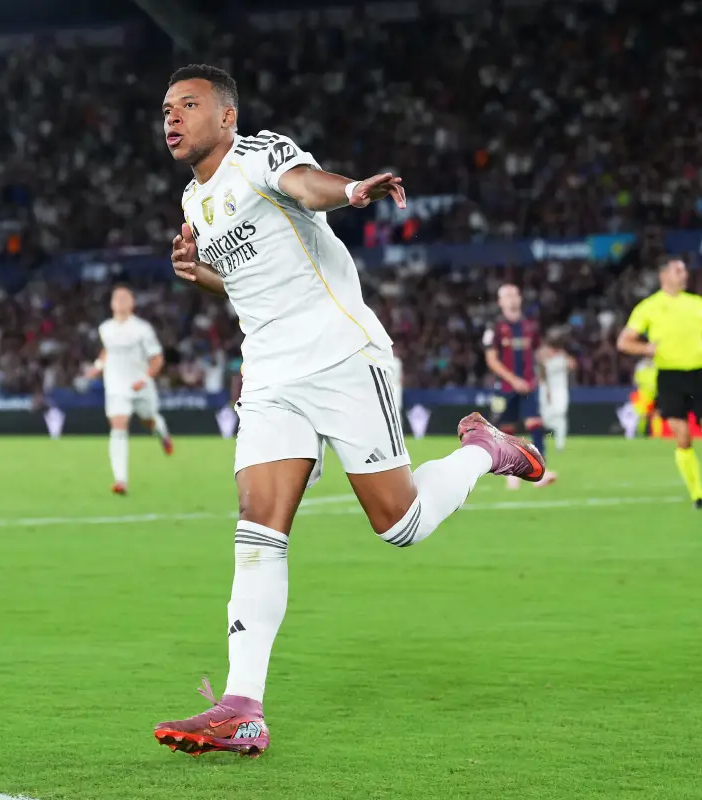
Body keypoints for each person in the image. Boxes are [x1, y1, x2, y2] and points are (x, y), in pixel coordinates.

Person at [153, 63, 546, 757]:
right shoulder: (193, 203)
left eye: (189, 105)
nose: (173, 117)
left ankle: (485, 449)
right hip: (270, 372)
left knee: (400, 524)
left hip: (340, 355)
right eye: (166, 109)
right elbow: (244, 285)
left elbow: (308, 186)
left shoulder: (260, 154)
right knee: (257, 527)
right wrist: (200, 274)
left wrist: (352, 191)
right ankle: (243, 706)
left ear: (227, 118)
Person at [617, 257, 702, 509]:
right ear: (663, 276)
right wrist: (646, 348)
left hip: (699, 376)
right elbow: (624, 342)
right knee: (683, 438)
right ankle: (698, 495)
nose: (684, 274)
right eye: (678, 270)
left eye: (685, 270)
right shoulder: (649, 307)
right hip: (669, 378)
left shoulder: (698, 304)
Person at [85, 286, 172, 495]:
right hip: (116, 387)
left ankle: (162, 432)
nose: (121, 301)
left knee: (148, 420)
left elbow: (157, 358)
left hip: (140, 385)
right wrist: (97, 367)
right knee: (119, 424)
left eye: (125, 297)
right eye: (117, 297)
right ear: (111, 303)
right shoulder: (105, 328)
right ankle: (120, 480)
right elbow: (107, 350)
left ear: (132, 303)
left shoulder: (142, 329)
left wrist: (145, 379)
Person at [482, 284, 558, 488]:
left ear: (520, 298)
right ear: (500, 302)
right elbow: (491, 359)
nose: (511, 298)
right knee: (507, 429)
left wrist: (546, 380)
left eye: (514, 294)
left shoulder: (530, 326)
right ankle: (511, 471)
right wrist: (513, 380)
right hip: (505, 387)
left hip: (529, 383)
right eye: (506, 295)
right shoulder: (495, 327)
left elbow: (538, 354)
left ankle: (540, 471)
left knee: (535, 422)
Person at [537, 331, 575, 452]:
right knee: (545, 417)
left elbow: (573, 366)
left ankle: (560, 444)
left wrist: (567, 360)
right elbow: (541, 373)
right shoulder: (542, 353)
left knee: (561, 413)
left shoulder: (563, 354)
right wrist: (547, 389)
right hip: (547, 388)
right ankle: (543, 439)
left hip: (561, 389)